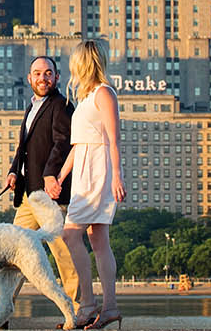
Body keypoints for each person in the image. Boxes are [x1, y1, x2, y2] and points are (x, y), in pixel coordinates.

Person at [0, 55, 78, 326]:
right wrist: (13, 171)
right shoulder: (31, 107)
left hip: (50, 194)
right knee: (12, 251)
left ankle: (78, 309)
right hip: (29, 195)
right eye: (37, 73)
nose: (42, 78)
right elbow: (24, 148)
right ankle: (0, 309)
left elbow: (62, 143)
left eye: (48, 73)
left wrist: (50, 174)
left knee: (62, 250)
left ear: (57, 77)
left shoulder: (62, 105)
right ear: (30, 79)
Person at [61, 38, 125, 329]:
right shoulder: (86, 98)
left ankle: (88, 304)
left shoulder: (104, 93)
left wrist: (117, 178)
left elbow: (113, 139)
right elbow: (78, 146)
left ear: (85, 63)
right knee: (98, 239)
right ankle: (108, 308)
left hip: (99, 171)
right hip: (84, 170)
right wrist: (61, 178)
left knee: (71, 235)